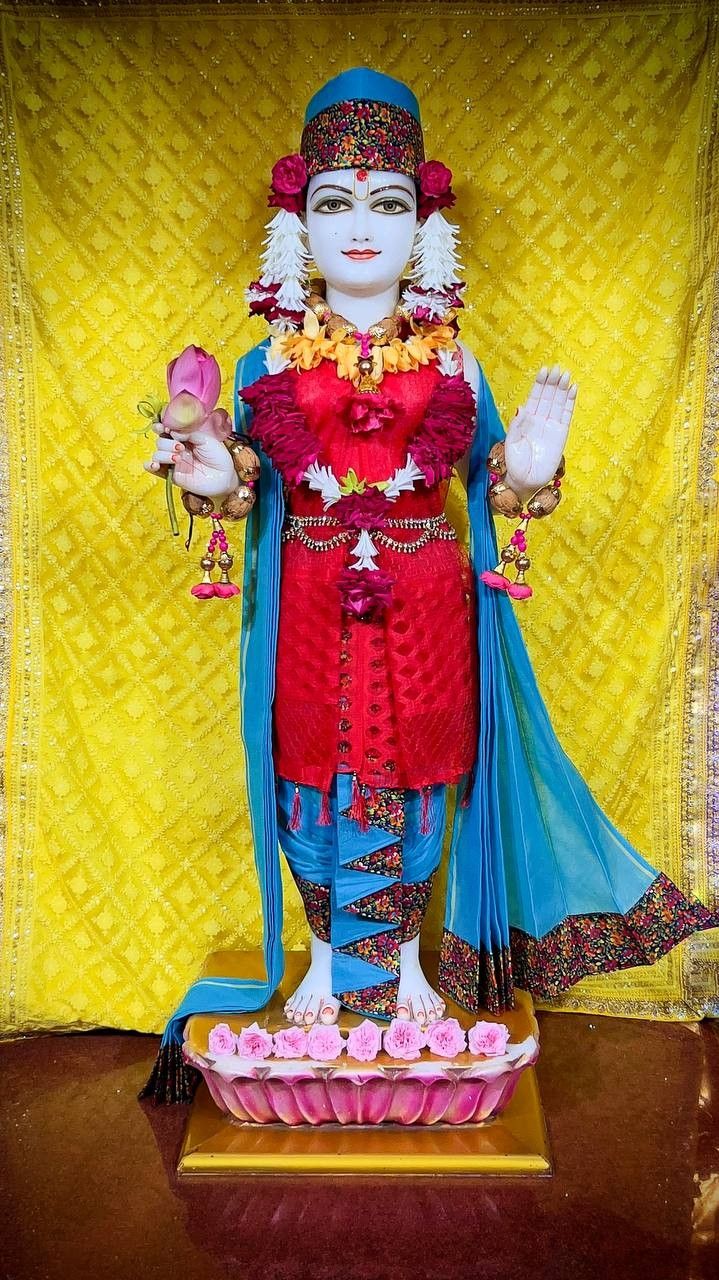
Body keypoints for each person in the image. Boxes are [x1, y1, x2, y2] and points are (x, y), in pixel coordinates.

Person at [142, 68, 716, 1103]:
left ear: (422, 227)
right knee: (301, 768)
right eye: (333, 204)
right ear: (297, 226)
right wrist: (210, 472)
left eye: (387, 204)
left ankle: (398, 962)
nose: (360, 229)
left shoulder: (456, 366)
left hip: (424, 601)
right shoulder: (260, 356)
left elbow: (497, 483)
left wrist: (527, 469)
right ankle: (327, 957)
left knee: (417, 770)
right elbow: (236, 479)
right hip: (308, 601)